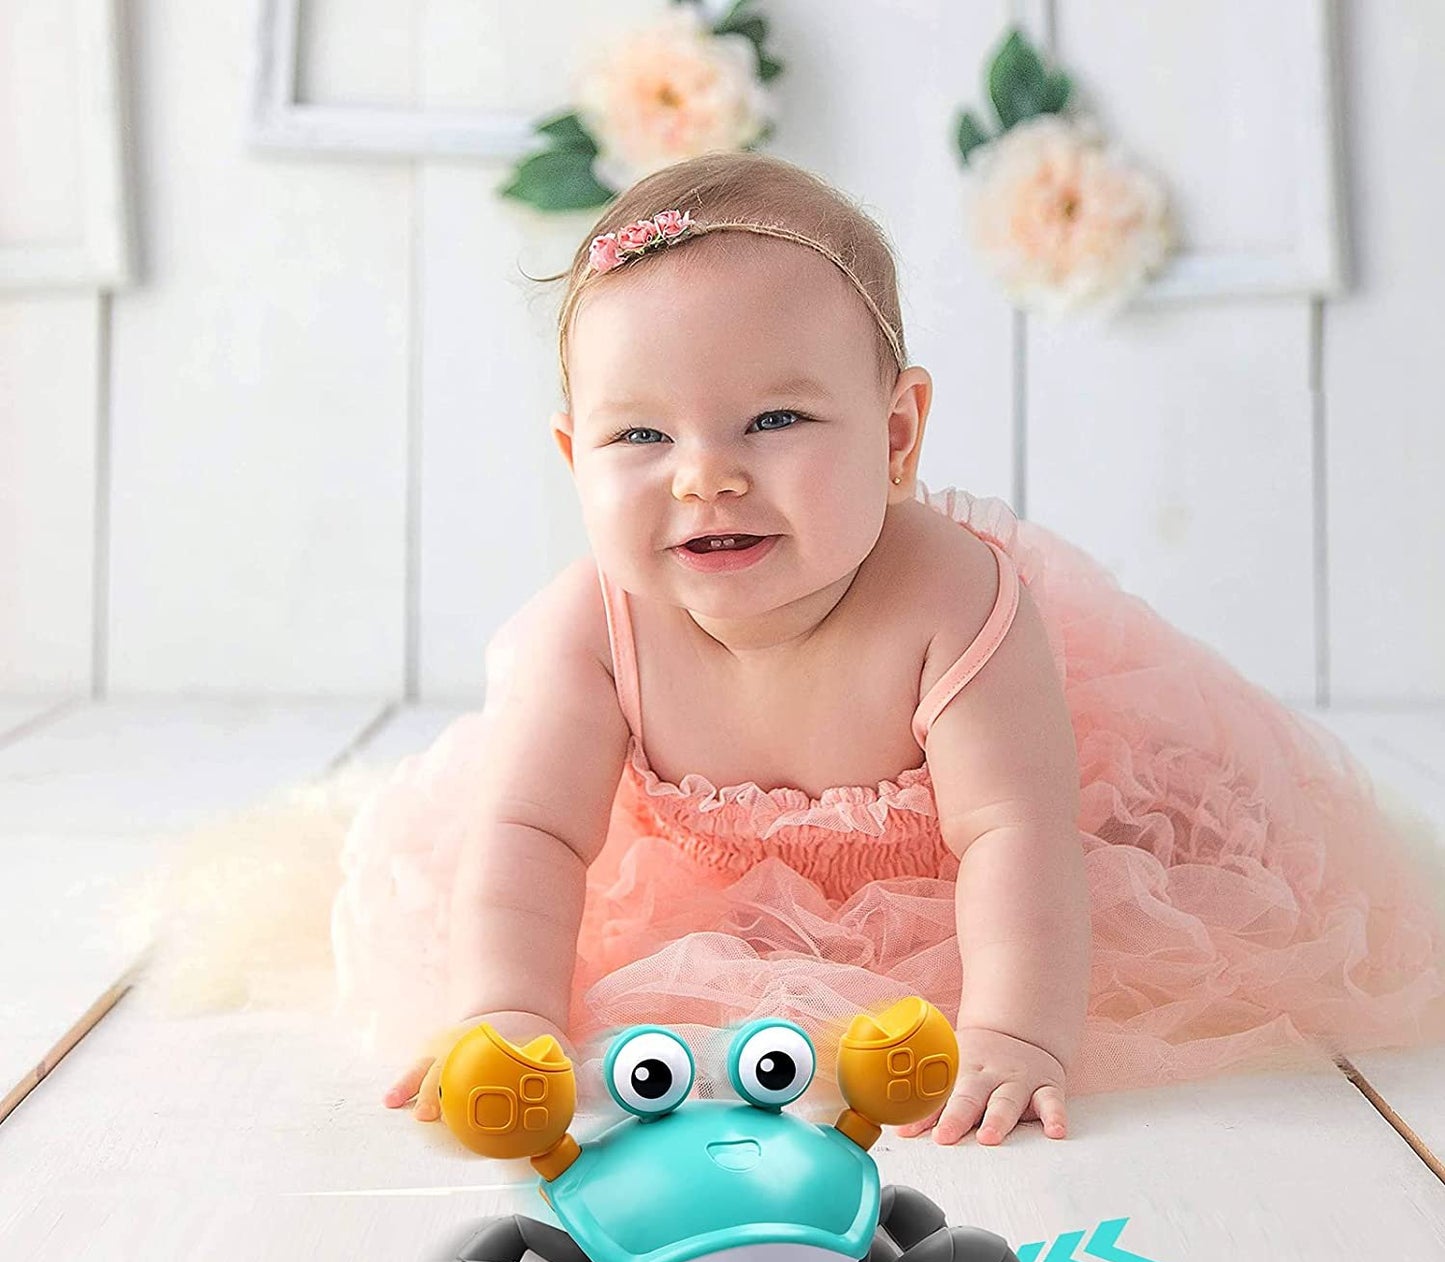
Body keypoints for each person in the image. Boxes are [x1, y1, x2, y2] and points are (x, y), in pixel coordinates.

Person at [337, 151, 1445, 1145]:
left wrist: (1017, 1032)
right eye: (641, 435)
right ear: (575, 457)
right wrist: (509, 1008)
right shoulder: (591, 626)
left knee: (1192, 855)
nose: (703, 474)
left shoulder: (950, 601)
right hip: (701, 887)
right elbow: (532, 833)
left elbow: (1013, 834)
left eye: (772, 421)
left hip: (970, 870)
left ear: (895, 435)